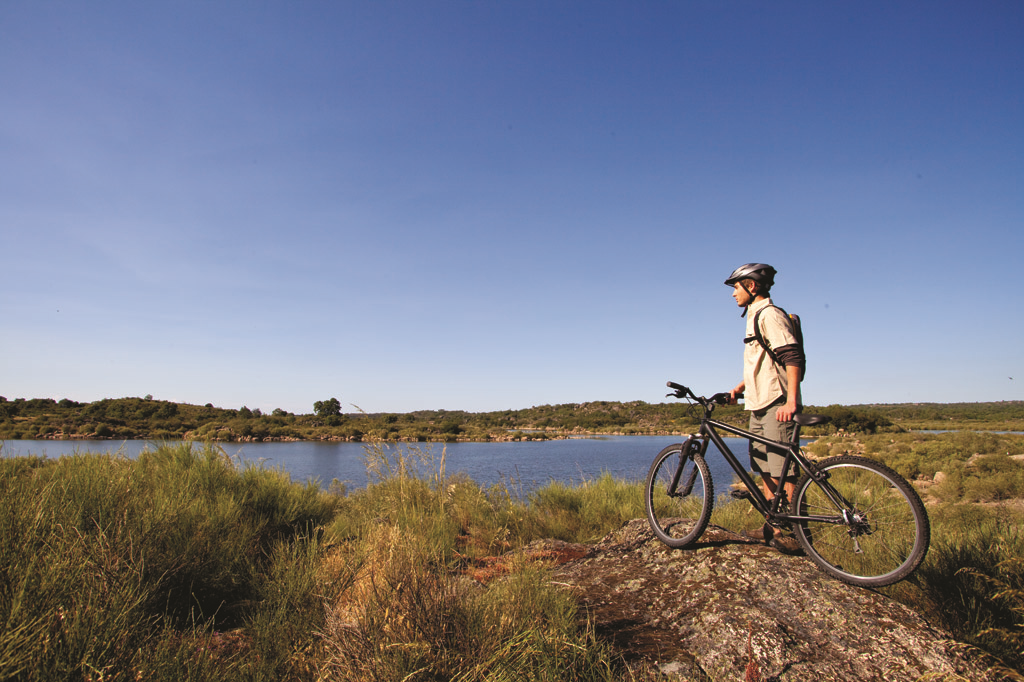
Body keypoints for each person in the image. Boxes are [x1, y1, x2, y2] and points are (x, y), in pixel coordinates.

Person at [724, 263, 805, 537]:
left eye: (736, 287)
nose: (734, 294)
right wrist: (741, 386)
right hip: (758, 403)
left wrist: (791, 402)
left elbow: (792, 356)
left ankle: (795, 533)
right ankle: (773, 526)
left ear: (751, 286)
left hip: (777, 403)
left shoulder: (769, 315)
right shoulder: (754, 316)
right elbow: (765, 359)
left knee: (784, 469)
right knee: (763, 465)